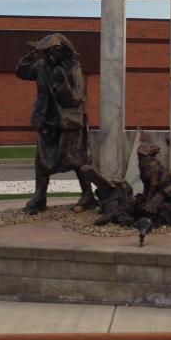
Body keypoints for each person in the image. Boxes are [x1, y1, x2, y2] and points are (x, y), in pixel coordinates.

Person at [15, 32, 111, 213]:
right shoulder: (41, 66)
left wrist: (62, 85)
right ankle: (39, 197)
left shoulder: (72, 67)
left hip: (69, 122)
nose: (48, 55)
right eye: (45, 52)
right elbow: (22, 73)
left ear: (60, 51)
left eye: (51, 51)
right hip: (47, 121)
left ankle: (88, 196)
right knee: (41, 161)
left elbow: (76, 99)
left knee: (76, 160)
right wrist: (29, 57)